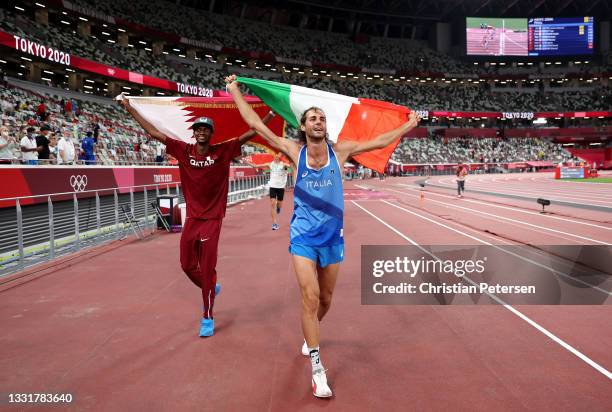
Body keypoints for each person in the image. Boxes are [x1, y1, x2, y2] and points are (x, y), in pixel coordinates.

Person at [226, 74, 419, 398]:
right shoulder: (293, 150)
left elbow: (380, 142)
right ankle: (317, 367)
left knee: (325, 301)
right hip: (303, 235)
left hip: (332, 237)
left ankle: (310, 331)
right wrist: (234, 91)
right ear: (302, 126)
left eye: (322, 118)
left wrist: (407, 126)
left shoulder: (340, 151)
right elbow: (257, 125)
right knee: (310, 297)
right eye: (313, 118)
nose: (319, 121)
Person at [120, 96, 274, 337]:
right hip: (191, 217)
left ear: (211, 134)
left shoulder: (222, 151)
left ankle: (207, 316)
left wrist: (269, 117)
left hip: (213, 219)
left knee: (207, 266)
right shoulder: (183, 150)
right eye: (198, 129)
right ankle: (211, 287)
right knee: (186, 265)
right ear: (194, 133)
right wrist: (129, 109)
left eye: (206, 129)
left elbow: (250, 134)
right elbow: (152, 132)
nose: (201, 132)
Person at [267, 152, 289, 230]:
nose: (276, 156)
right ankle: (274, 223)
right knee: (272, 204)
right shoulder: (271, 164)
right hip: (272, 186)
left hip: (280, 187)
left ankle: (279, 208)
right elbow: (256, 165)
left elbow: (289, 166)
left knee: (279, 204)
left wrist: (286, 165)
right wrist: (249, 163)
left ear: (280, 157)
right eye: (275, 155)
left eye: (278, 155)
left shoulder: (283, 164)